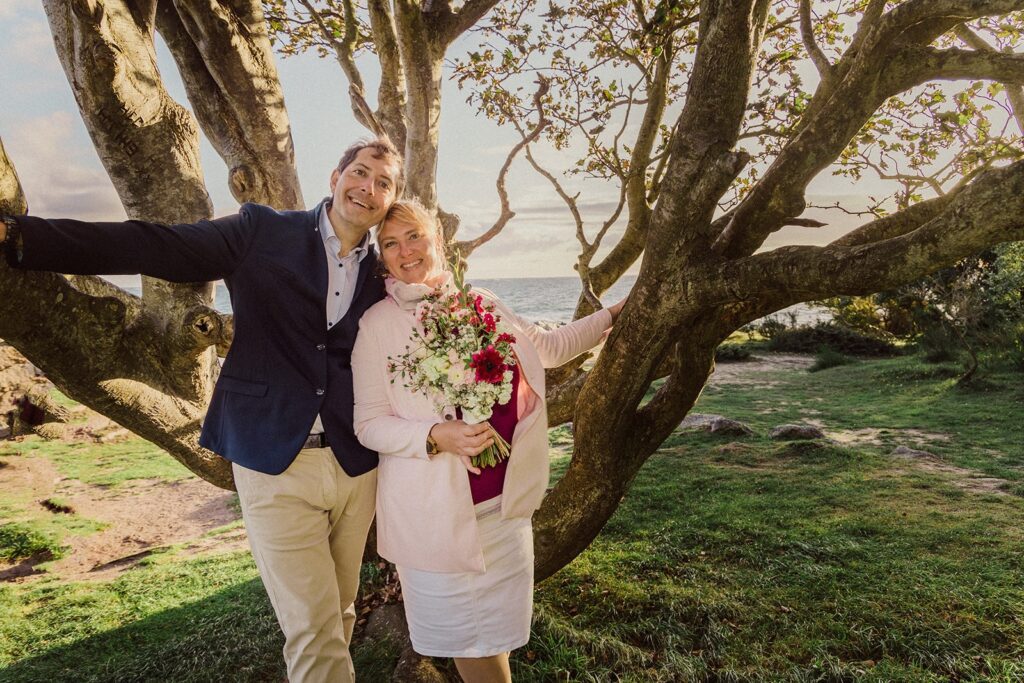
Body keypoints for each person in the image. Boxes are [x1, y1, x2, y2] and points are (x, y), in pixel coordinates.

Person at [0, 137, 404, 683]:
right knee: (312, 628)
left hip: (356, 465)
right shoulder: (261, 230)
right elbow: (155, 246)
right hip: (273, 461)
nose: (368, 188)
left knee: (340, 611)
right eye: (360, 172)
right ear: (335, 177)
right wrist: (23, 236)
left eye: (384, 183)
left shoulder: (386, 273)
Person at [351, 200, 625, 682]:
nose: (405, 251)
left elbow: (551, 347)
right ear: (382, 257)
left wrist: (617, 314)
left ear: (437, 237)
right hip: (434, 519)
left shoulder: (480, 302)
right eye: (390, 243)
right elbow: (369, 423)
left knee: (495, 639)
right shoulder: (376, 325)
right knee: (466, 642)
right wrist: (436, 436)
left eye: (413, 235)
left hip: (503, 509)